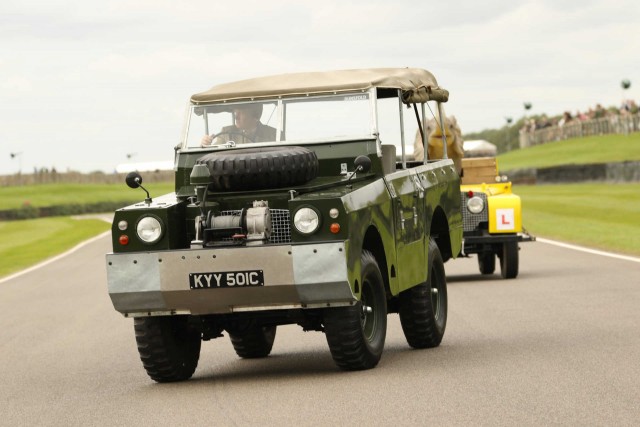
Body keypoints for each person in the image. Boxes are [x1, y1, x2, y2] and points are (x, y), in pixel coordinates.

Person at [201, 103, 277, 146]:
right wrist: (205, 144)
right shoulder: (226, 133)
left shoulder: (274, 135)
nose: (236, 117)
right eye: (235, 112)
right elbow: (214, 155)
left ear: (256, 116)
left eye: (241, 113)